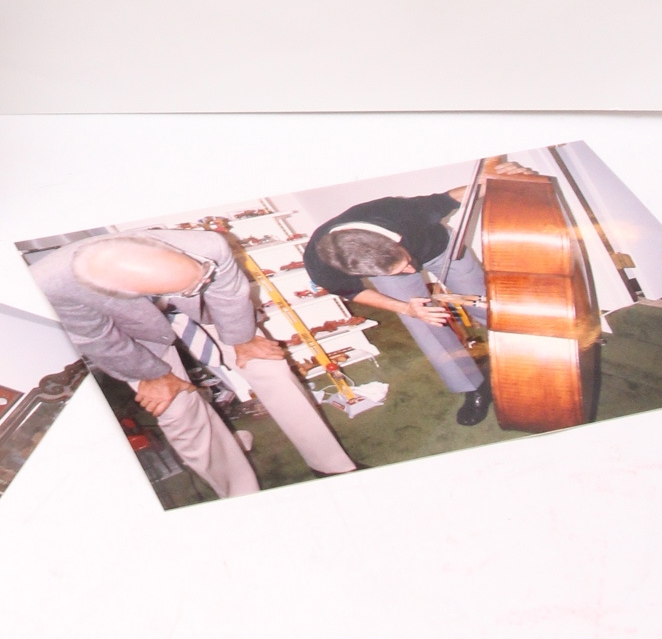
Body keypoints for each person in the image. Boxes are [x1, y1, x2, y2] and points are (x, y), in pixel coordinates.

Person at [29, 225, 357, 497]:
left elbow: (228, 293)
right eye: (187, 287)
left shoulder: (206, 246)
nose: (197, 284)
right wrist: (153, 376)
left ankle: (332, 466)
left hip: (212, 310)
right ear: (122, 291)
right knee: (174, 407)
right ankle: (240, 495)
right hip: (129, 334)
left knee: (267, 364)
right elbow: (95, 338)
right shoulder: (48, 285)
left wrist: (242, 340)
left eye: (197, 278)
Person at [304, 190, 492, 425]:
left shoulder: (394, 212)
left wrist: (488, 179)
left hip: (440, 247)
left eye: (405, 263)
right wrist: (406, 308)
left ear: (395, 239)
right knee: (422, 322)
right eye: (402, 269)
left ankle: (523, 354)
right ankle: (473, 386)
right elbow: (351, 291)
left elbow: (453, 197)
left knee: (487, 304)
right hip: (386, 268)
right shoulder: (321, 263)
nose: (412, 271)